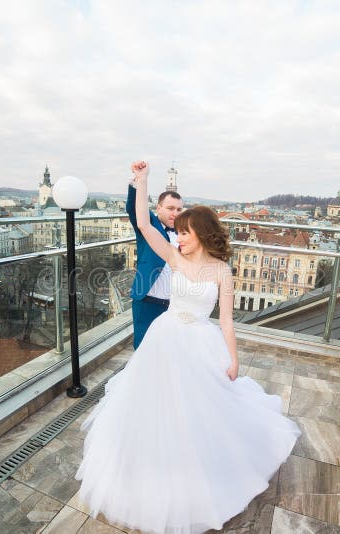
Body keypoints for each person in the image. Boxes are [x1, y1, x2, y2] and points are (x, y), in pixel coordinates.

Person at [75, 161, 300, 534]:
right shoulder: (174, 258)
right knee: (153, 405)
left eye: (184, 231)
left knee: (198, 410)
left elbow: (226, 321)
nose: (178, 236)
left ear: (202, 234)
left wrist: (234, 358)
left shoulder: (221, 271)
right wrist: (142, 181)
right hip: (163, 339)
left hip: (199, 342)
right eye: (176, 231)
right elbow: (144, 224)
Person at [126, 175, 184, 348]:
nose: (175, 213)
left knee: (168, 350)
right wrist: (137, 182)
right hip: (147, 300)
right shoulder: (149, 226)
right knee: (143, 348)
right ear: (158, 208)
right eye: (170, 208)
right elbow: (133, 208)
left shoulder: (187, 233)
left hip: (175, 304)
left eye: (180, 210)